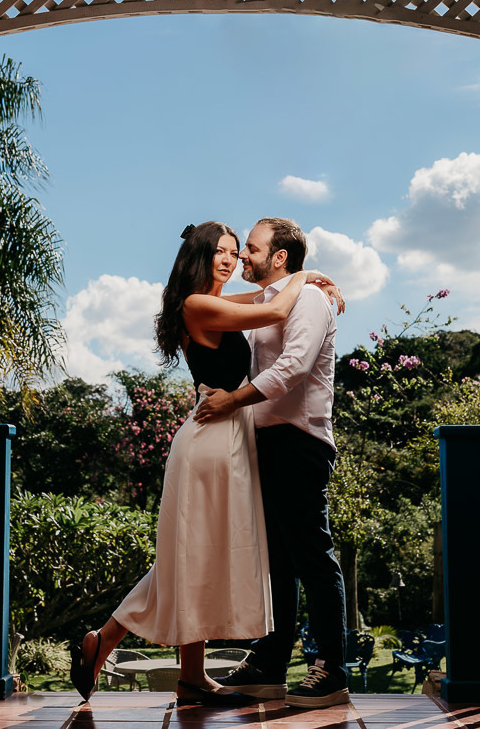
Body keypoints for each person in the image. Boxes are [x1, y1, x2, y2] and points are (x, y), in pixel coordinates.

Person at [70, 221, 343, 705]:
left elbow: (268, 302)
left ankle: (173, 667)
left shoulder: (226, 301)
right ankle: (124, 646)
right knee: (195, 552)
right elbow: (277, 305)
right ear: (197, 255)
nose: (233, 260)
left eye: (239, 252)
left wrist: (302, 278)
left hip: (236, 434)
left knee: (196, 552)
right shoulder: (197, 304)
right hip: (215, 436)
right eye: (221, 251)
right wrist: (308, 274)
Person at [196, 217, 348, 709]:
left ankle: (330, 667)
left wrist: (232, 400)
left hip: (300, 440)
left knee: (312, 555)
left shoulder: (310, 299)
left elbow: (294, 367)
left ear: (279, 257)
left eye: (253, 249)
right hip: (263, 441)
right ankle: (271, 661)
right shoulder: (269, 300)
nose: (243, 256)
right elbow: (216, 308)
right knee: (276, 561)